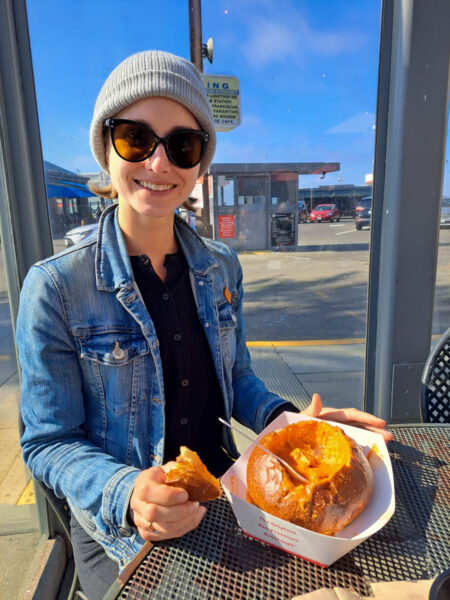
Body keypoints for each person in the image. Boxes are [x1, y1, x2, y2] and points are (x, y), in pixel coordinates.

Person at [17, 50, 393, 600]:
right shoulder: (53, 288)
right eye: (135, 139)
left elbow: (237, 380)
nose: (160, 163)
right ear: (106, 147)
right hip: (122, 531)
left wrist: (291, 427)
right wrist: (126, 492)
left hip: (223, 493)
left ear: (200, 161)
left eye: (183, 145)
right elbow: (49, 441)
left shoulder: (220, 265)